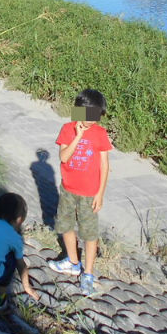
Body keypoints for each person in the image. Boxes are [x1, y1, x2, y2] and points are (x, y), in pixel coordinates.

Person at [48, 88, 113, 296]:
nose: (91, 121)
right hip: (68, 189)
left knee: (89, 233)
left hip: (89, 192)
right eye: (87, 115)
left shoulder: (101, 133)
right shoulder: (67, 129)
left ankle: (88, 273)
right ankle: (73, 262)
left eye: (96, 116)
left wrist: (100, 193)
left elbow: (104, 165)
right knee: (65, 224)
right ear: (79, 111)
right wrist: (78, 135)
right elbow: (64, 158)